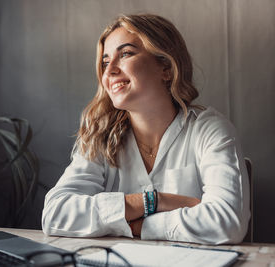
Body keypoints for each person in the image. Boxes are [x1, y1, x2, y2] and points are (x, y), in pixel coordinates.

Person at [42, 14, 250, 244]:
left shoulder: (211, 130)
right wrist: (153, 201)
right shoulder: (100, 136)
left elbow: (227, 222)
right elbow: (55, 214)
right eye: (105, 61)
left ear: (166, 68)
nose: (109, 70)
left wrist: (137, 225)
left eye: (126, 54)